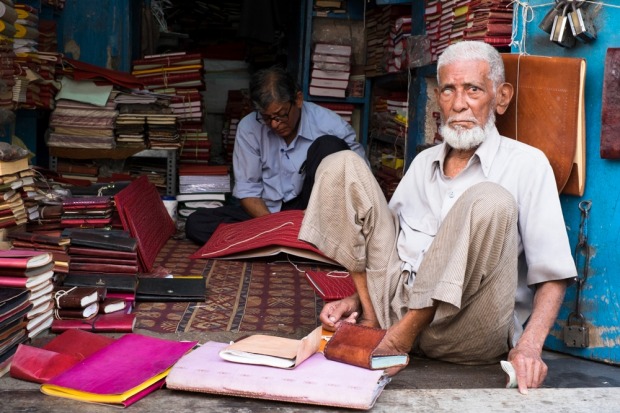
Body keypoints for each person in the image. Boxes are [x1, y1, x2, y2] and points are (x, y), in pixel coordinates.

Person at [298, 41, 576, 394]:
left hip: (465, 328)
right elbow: (381, 243)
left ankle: (399, 338)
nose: (459, 104)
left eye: (473, 90)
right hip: (394, 308)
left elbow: (553, 274)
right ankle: (371, 319)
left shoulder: (527, 165)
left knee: (490, 199)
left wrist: (530, 346)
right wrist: (356, 300)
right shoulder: (422, 162)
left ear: (500, 97)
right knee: (340, 163)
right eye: (448, 90)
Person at [185, 66, 367, 244]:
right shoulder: (249, 128)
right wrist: (276, 226)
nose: (274, 125)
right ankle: (293, 241)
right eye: (266, 118)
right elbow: (248, 191)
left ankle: (288, 240)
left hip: (314, 214)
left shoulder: (332, 126)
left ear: (298, 99)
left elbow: (362, 184)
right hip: (266, 213)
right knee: (197, 223)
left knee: (331, 146)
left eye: (280, 116)